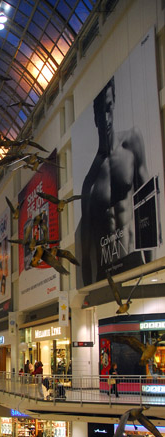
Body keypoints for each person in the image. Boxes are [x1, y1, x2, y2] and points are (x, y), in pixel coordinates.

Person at [80, 76, 150, 286]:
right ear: (95, 117)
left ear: (115, 103)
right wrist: (90, 294)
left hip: (136, 260)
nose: (106, 119)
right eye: (101, 112)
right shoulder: (89, 184)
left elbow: (149, 208)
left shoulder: (132, 142)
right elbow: (85, 255)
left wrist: (152, 266)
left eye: (109, 108)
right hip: (106, 277)